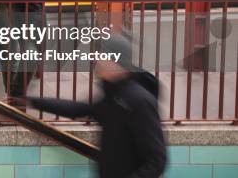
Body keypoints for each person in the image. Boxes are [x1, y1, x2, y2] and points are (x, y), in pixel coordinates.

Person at [19, 34, 167, 178]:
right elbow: (77, 109)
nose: (96, 59)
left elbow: (156, 160)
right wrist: (32, 102)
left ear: (116, 61)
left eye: (102, 54)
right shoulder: (111, 95)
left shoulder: (138, 100)